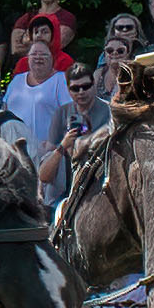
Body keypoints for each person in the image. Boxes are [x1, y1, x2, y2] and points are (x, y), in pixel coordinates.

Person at [36, 65, 112, 209]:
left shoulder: (108, 112)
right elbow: (45, 173)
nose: (81, 92)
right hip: (64, 185)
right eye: (75, 88)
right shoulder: (61, 113)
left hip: (98, 178)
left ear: (94, 85)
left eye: (86, 86)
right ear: (69, 91)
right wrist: (64, 145)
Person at [2, 39, 74, 163]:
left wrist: (56, 144)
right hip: (14, 151)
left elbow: (70, 115)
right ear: (27, 58)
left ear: (52, 58)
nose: (38, 58)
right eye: (34, 54)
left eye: (43, 54)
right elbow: (4, 109)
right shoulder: (17, 80)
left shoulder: (61, 80)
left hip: (47, 153)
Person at [11, 0, 79, 56]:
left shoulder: (67, 18)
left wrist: (28, 41)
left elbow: (56, 45)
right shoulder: (26, 18)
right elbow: (16, 49)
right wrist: (44, 43)